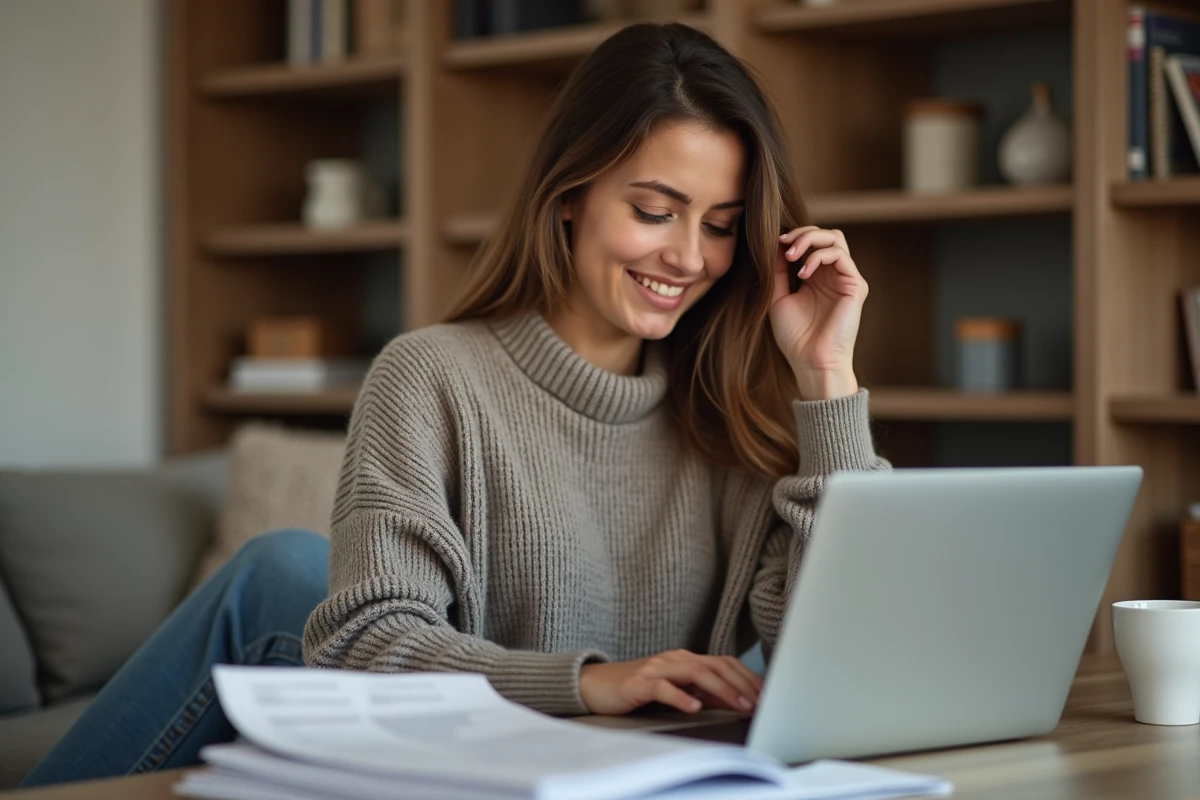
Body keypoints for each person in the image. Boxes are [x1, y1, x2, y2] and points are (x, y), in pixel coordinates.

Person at [21, 21, 888, 787]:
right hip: (464, 769)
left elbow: (853, 654)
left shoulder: (732, 416)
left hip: (638, 778)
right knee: (282, 572)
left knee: (282, 569)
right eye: (656, 210)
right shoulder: (431, 378)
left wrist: (827, 378)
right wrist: (590, 681)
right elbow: (365, 638)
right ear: (569, 197)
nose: (689, 256)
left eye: (721, 223)